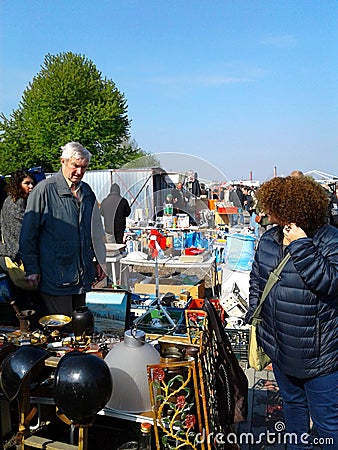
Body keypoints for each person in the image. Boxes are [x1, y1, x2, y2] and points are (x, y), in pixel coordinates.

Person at [246, 175, 338, 449]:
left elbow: (331, 283)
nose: (264, 213)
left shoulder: (329, 240)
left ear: (289, 210)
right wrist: (256, 314)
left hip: (320, 357)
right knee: (294, 414)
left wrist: (300, 245)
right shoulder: (270, 239)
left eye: (271, 207)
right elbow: (256, 279)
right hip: (281, 350)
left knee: (328, 425)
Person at [19, 142, 106, 317]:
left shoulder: (87, 192)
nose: (79, 172)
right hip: (55, 276)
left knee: (81, 325)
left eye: (84, 167)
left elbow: (95, 230)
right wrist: (32, 269)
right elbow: (28, 234)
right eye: (75, 166)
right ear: (63, 161)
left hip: (82, 275)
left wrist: (100, 261)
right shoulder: (44, 190)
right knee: (63, 328)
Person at [0, 169, 46, 321]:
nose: (31, 186)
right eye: (26, 183)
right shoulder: (18, 203)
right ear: (17, 184)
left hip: (10, 256)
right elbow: (23, 235)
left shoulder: (10, 200)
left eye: (32, 183)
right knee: (33, 302)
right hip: (19, 259)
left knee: (22, 301)